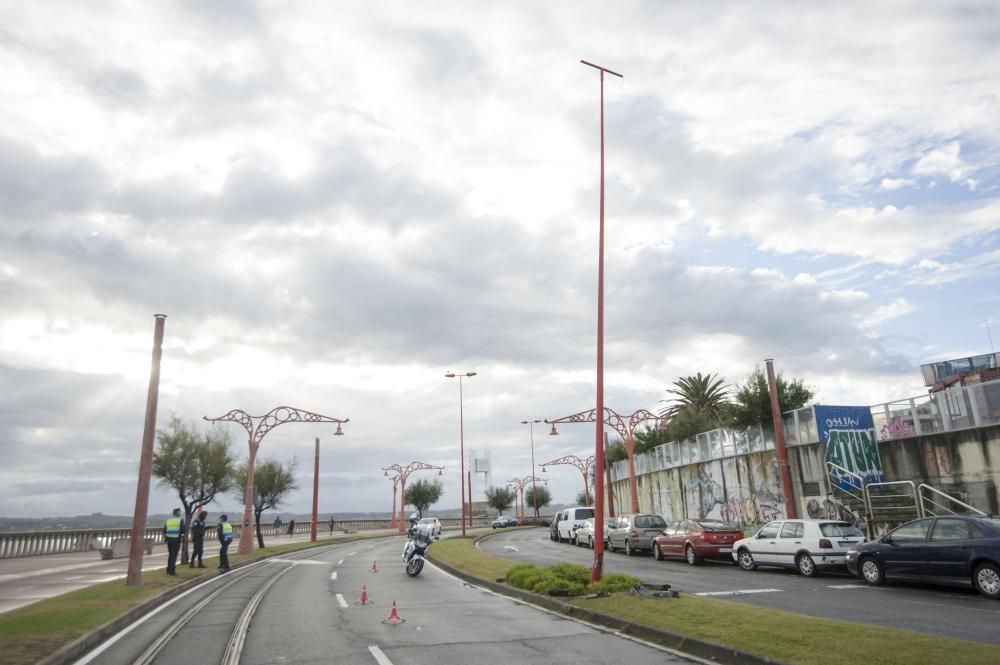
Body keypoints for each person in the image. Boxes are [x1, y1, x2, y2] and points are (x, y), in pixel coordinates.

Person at [163, 508, 184, 576]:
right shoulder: (180, 520)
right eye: (179, 512)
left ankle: (168, 570)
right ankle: (172, 571)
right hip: (176, 540)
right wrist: (181, 537)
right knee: (174, 556)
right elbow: (182, 530)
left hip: (169, 540)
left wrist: (166, 538)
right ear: (177, 513)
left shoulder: (168, 520)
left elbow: (164, 530)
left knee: (170, 555)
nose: (180, 513)